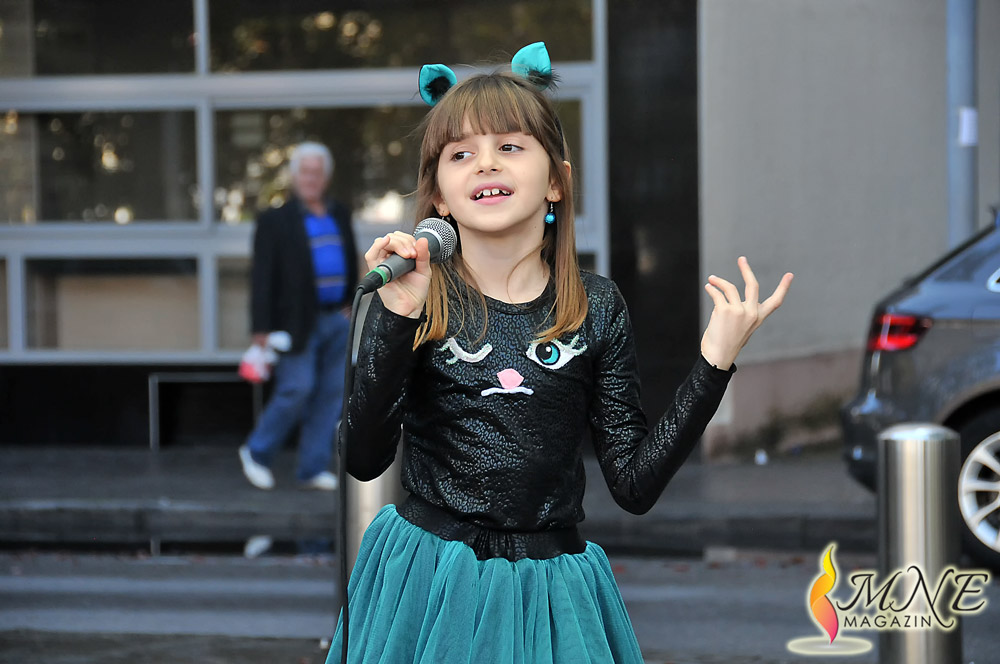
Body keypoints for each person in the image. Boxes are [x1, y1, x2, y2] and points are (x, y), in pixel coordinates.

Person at [326, 43, 793, 663]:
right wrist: (395, 317)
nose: (485, 164)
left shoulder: (597, 305)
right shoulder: (416, 296)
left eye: (510, 147)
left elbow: (633, 485)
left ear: (555, 182)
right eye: (460, 154)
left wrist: (714, 364)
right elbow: (363, 460)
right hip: (432, 581)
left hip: (551, 590)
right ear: (438, 195)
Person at [238, 141, 359, 491]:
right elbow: (261, 276)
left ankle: (311, 467)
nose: (311, 179)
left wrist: (351, 301)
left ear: (326, 178)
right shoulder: (275, 220)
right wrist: (261, 327)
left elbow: (350, 258)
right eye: (305, 172)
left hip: (336, 319)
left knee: (332, 393)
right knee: (297, 388)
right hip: (295, 322)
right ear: (294, 177)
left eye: (317, 173)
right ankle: (256, 452)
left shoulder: (339, 213)